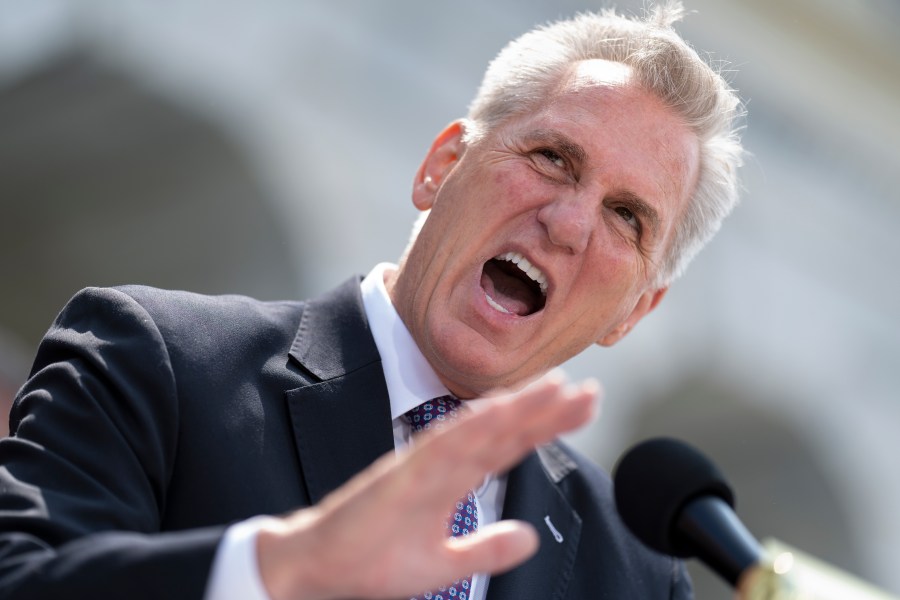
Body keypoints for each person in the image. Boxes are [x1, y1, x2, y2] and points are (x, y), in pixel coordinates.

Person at [0, 2, 744, 599]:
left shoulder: (640, 571)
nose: (570, 222)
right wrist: (277, 571)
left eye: (627, 217)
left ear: (633, 313)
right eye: (552, 158)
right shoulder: (157, 357)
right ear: (441, 167)